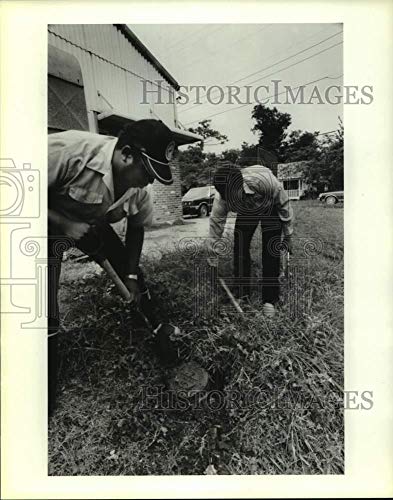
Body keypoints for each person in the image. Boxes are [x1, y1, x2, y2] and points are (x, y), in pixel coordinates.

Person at [48, 119, 179, 416]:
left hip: (91, 223)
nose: (150, 181)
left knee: (134, 278)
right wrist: (63, 224)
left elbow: (136, 229)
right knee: (44, 310)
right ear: (127, 154)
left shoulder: (141, 189)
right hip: (41, 222)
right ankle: (42, 395)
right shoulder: (69, 151)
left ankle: (153, 331)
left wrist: (130, 274)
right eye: (148, 172)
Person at [207, 163, 294, 317]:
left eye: (235, 200)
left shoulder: (266, 181)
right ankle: (242, 293)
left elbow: (284, 204)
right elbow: (215, 227)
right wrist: (213, 261)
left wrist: (288, 236)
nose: (232, 205)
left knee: (270, 248)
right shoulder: (221, 199)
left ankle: (270, 298)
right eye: (230, 202)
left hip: (269, 205)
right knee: (240, 245)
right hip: (248, 208)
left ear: (241, 186)